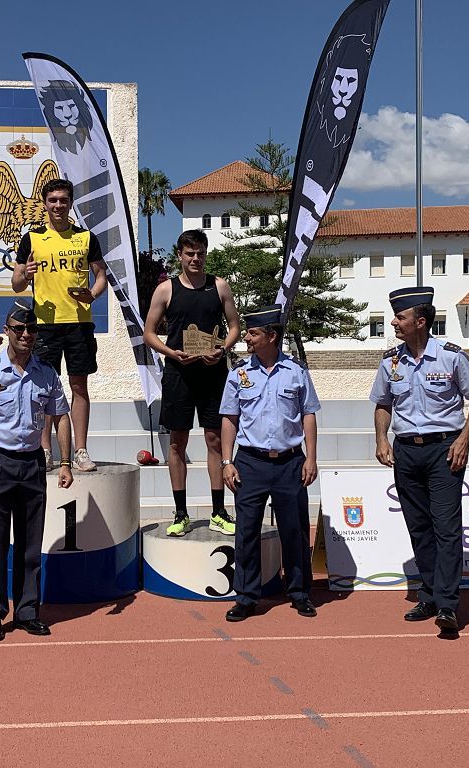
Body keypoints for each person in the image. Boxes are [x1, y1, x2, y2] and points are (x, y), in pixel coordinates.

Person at [370, 286, 469, 632]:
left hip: (444, 450)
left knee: (446, 529)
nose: (394, 322)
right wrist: (381, 438)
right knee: (419, 528)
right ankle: (430, 594)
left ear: (420, 322)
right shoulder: (390, 361)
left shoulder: (452, 357)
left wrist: (464, 440)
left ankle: (448, 606)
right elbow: (382, 404)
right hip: (406, 451)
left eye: (400, 317)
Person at [0, 300, 74, 642]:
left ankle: (27, 611)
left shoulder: (47, 373)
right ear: (7, 331)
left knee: (29, 543)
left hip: (31, 463)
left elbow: (62, 416)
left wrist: (66, 461)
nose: (26, 335)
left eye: (32, 329)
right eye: (19, 329)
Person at [219, 305, 320, 622]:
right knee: (246, 532)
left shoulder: (297, 372)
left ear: (271, 336)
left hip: (291, 462)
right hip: (250, 462)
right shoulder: (239, 373)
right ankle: (247, 597)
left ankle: (299, 592)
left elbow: (308, 415)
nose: (246, 337)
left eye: (252, 333)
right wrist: (226, 461)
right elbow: (229, 419)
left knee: (295, 531)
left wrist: (311, 457)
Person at [144, 229, 240, 537]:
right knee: (177, 443)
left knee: (215, 441)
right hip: (179, 374)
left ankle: (218, 511)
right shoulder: (165, 289)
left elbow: (235, 326)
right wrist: (171, 352)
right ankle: (181, 513)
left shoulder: (220, 286)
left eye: (200, 253)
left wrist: (223, 349)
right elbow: (148, 333)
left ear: (205, 254)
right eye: (189, 253)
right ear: (180, 256)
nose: (195, 258)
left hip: (213, 373)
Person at [12, 178, 108, 473]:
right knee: (43, 389)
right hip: (45, 324)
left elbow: (101, 276)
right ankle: (45, 451)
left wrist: (92, 294)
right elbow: (16, 284)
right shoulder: (32, 238)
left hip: (78, 323)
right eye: (52, 200)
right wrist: (25, 273)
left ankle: (80, 450)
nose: (58, 205)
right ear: (45, 203)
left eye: (63, 200)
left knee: (79, 387)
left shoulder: (86, 237)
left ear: (70, 203)